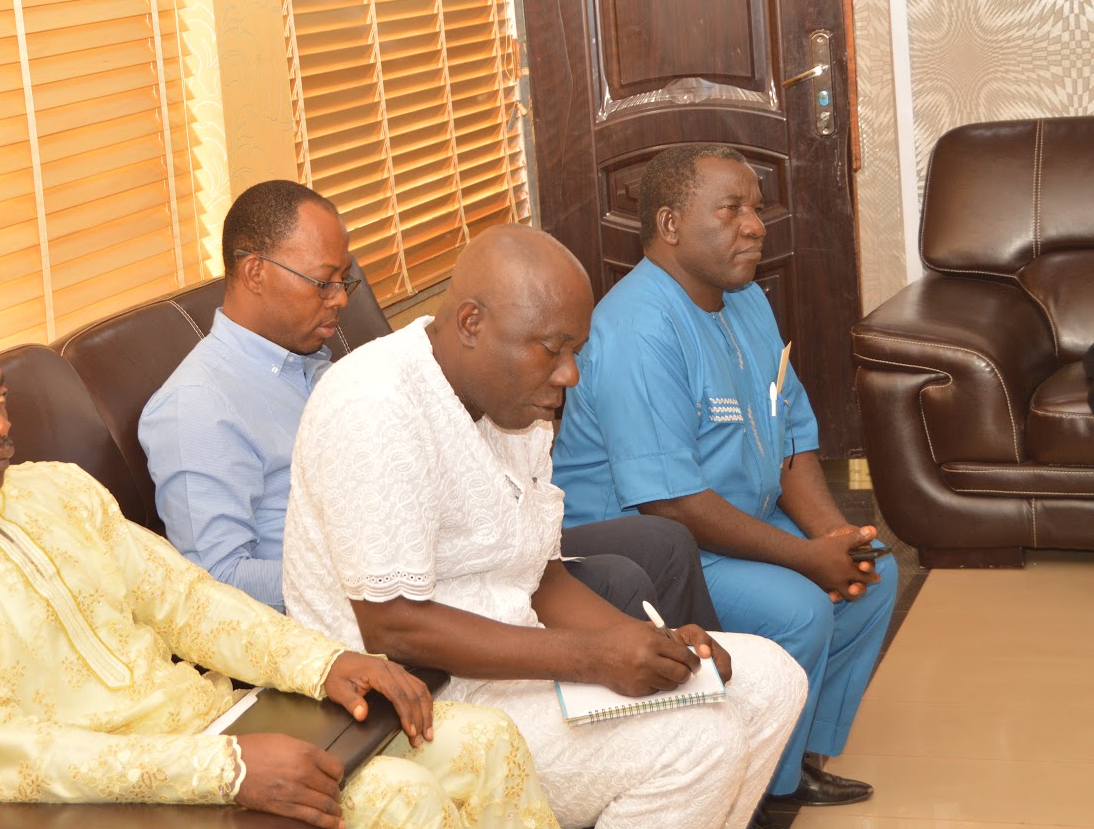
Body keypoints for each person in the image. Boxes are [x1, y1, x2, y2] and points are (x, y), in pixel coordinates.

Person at [0, 284, 559, 829]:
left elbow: (187, 602)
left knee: (488, 740)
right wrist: (226, 770)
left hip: (229, 720)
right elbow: (20, 755)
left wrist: (325, 664)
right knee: (400, 798)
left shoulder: (54, 491)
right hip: (135, 799)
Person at [282, 226, 808, 829]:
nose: (570, 375)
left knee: (772, 680)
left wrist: (652, 647)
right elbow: (393, 627)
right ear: (472, 323)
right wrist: (591, 657)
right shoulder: (375, 407)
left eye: (575, 350)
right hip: (412, 704)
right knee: (698, 743)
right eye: (553, 349)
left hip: (515, 661)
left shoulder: (515, 403)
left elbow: (540, 577)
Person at [140, 179, 720, 633]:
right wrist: (390, 565)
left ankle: (705, 691)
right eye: (323, 283)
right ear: (254, 273)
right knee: (617, 580)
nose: (339, 301)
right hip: (353, 603)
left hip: (442, 540)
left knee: (662, 543)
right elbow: (217, 580)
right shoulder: (197, 408)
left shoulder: (314, 362)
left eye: (346, 281)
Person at [551, 143, 897, 807]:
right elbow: (671, 504)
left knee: (872, 578)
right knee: (799, 609)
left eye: (757, 209)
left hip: (735, 521)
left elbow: (789, 433)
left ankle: (795, 758)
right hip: (654, 545)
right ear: (670, 224)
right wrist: (806, 559)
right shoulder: (637, 328)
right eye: (732, 209)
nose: (756, 226)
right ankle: (757, 787)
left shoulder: (746, 301)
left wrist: (837, 541)